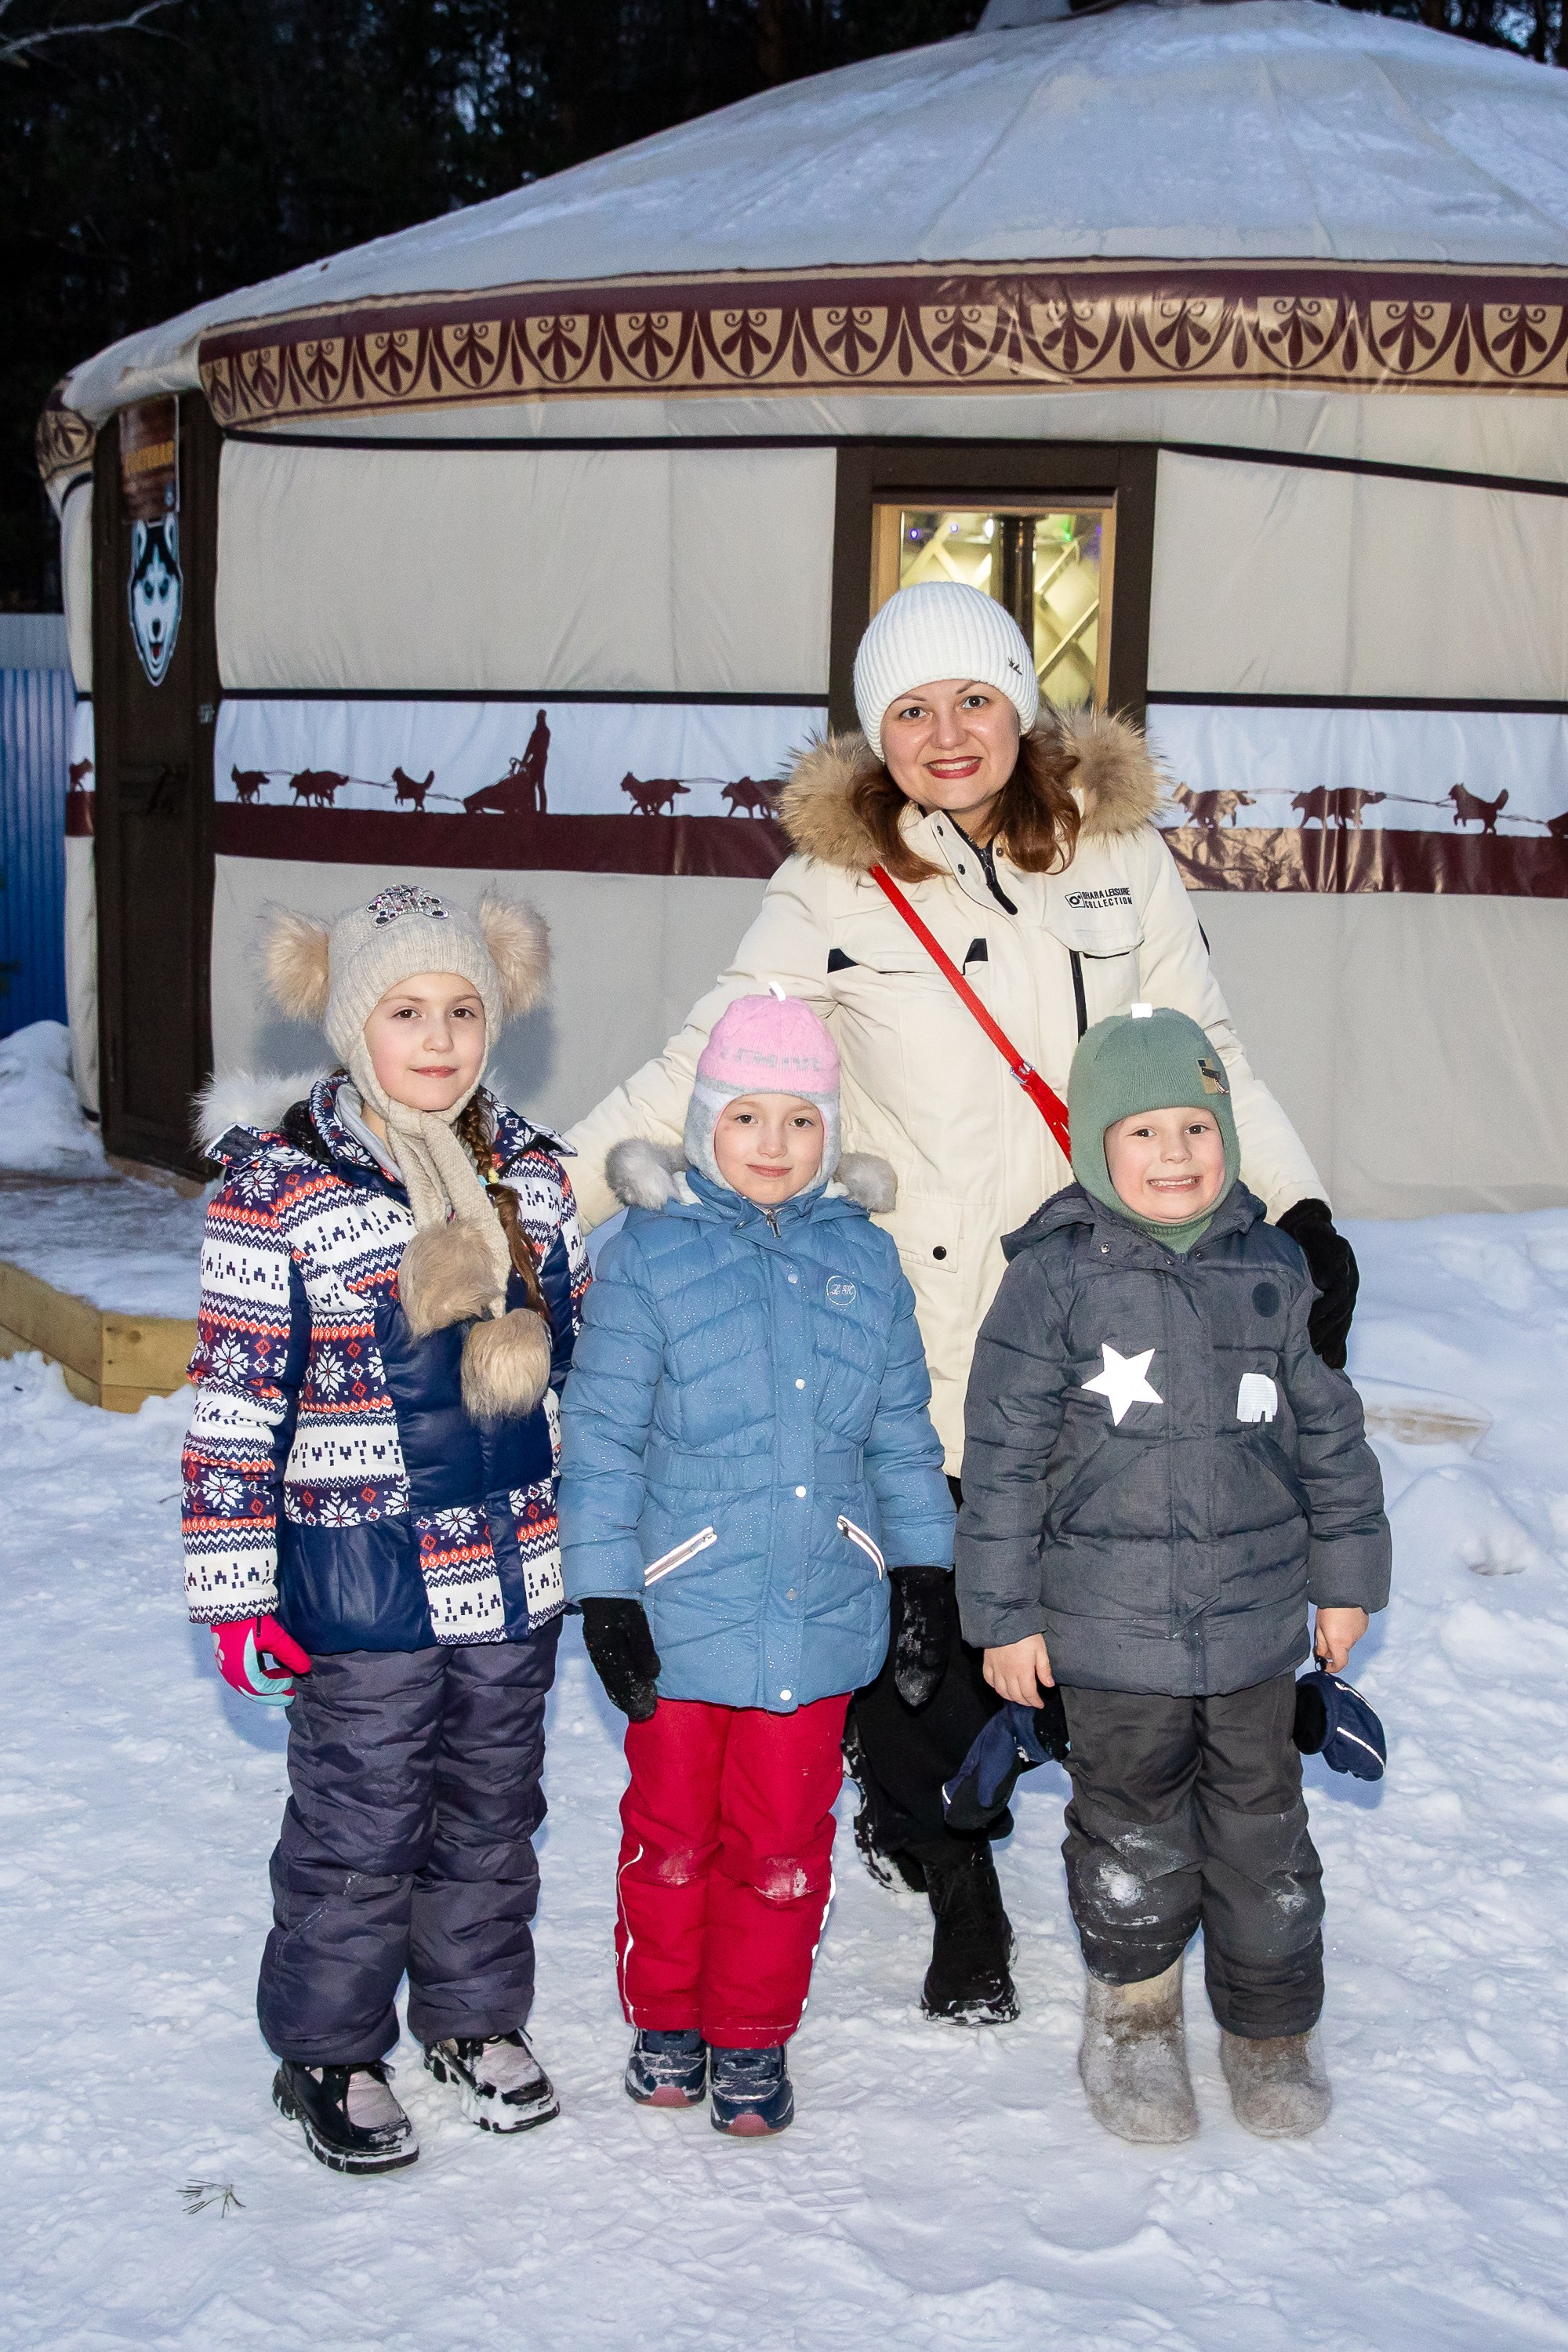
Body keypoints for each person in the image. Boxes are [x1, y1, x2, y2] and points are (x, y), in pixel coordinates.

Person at [564, 579, 1357, 2024]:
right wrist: (538, 1206)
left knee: (1062, 1595)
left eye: (972, 699)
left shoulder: (1119, 855)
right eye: (910, 712)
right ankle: (956, 1872)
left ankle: (1017, 1825)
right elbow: (709, 1063)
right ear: (876, 737)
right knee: (927, 1606)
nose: (946, 733)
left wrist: (1295, 1207)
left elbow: (1200, 1045)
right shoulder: (835, 882)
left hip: (1102, 1304)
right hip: (914, 1315)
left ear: (1020, 701)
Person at [183, 883, 588, 2174]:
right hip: (363, 1582)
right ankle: (330, 2049)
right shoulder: (283, 1194)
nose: (439, 1036)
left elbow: (575, 1370)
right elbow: (237, 1409)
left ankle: (473, 2024)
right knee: (359, 1830)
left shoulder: (534, 1173)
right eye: (406, 1009)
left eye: (463, 1009)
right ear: (355, 1025)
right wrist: (235, 1589)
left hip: (512, 1572)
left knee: (487, 1815)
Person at [956, 1005, 1390, 2141]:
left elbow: (1330, 1438)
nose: (1175, 1156)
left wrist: (1343, 1584)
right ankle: (1135, 2027)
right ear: (1096, 1144)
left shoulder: (1275, 1268)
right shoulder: (1051, 1281)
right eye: (1142, 1133)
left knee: (1265, 1837)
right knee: (1132, 1834)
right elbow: (998, 1459)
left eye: (1196, 1128)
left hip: (1253, 1630)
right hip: (1106, 1635)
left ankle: (1270, 2033)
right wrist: (1003, 1619)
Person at [557, 991, 953, 2136]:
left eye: (799, 1120)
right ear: (702, 1127)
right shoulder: (649, 1257)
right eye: (746, 1118)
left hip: (818, 1610)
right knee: (674, 1838)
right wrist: (606, 1592)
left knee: (783, 1847)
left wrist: (923, 1573)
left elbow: (900, 1435)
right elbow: (604, 1437)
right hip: (682, 1619)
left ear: (829, 1133)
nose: (772, 1146)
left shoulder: (865, 1262)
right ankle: (667, 2023)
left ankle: (750, 2036)